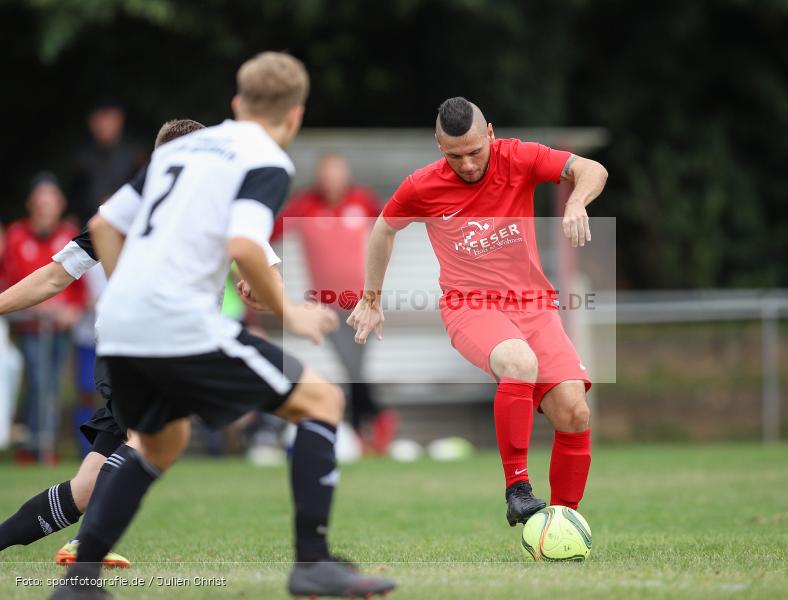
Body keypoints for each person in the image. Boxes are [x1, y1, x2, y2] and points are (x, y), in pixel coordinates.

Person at [50, 52, 394, 600]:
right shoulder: (266, 160)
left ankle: (80, 582)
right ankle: (313, 563)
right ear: (296, 115)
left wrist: (133, 290)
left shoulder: (178, 150)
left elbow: (101, 225)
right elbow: (243, 245)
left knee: (161, 444)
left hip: (120, 324)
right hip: (178, 321)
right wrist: (290, 312)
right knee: (324, 402)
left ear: (237, 103)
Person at [348, 97, 608, 526]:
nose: (467, 164)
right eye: (454, 155)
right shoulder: (422, 185)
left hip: (533, 304)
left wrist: (577, 202)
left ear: (490, 134)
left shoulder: (519, 157)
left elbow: (591, 168)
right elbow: (383, 229)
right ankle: (518, 488)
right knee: (518, 361)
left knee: (574, 412)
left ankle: (563, 523)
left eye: (474, 151)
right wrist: (371, 298)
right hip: (470, 307)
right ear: (438, 145)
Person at [0, 119, 206, 569]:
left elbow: (57, 275)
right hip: (141, 342)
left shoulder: (187, 206)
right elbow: (57, 274)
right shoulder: (129, 210)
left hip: (149, 341)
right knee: (151, 438)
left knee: (85, 487)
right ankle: (87, 544)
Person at [273, 153, 397, 453]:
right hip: (325, 306)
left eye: (337, 174)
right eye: (326, 175)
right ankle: (376, 419)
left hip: (361, 303)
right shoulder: (305, 206)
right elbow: (272, 233)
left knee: (354, 370)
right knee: (351, 369)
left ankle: (362, 429)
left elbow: (390, 225)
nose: (332, 181)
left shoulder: (362, 200)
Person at [0, 175, 86, 463]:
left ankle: (42, 444)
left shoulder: (70, 233)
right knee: (37, 381)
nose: (45, 207)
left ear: (60, 204)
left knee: (52, 384)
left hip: (59, 328)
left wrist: (72, 310)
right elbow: (11, 279)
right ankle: (34, 444)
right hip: (29, 325)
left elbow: (80, 285)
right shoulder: (16, 235)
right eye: (40, 202)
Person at [69, 102, 143, 225]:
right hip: (88, 224)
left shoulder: (136, 155)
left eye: (109, 119)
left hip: (127, 223)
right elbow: (74, 197)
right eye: (100, 120)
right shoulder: (82, 157)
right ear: (91, 123)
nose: (104, 125)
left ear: (119, 120)